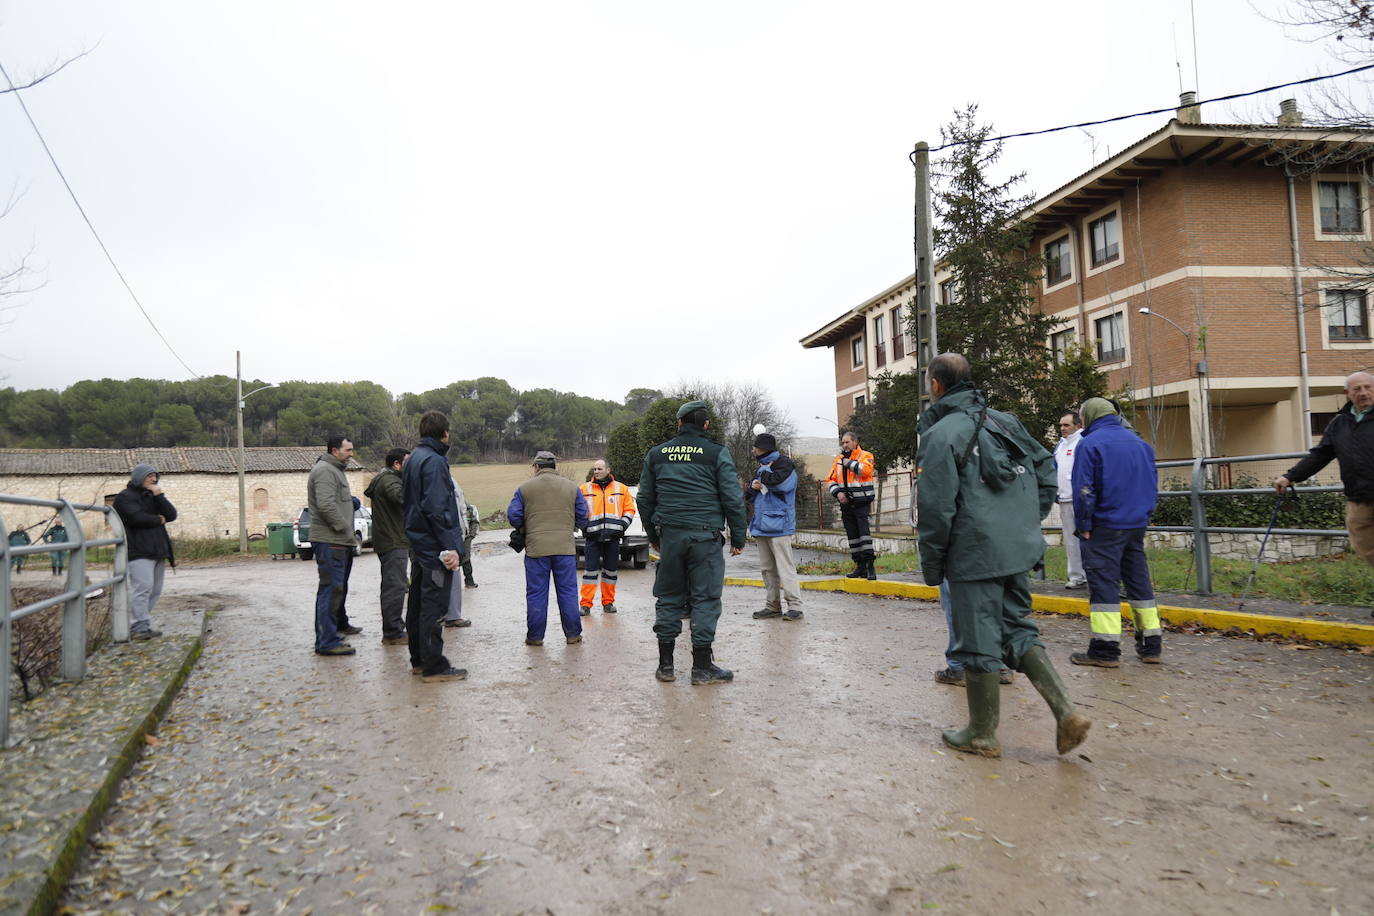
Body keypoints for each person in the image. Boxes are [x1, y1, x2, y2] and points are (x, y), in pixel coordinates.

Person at [916, 353, 1090, 758]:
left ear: (936, 386)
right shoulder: (1004, 421)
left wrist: (932, 564)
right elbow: (1045, 465)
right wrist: (1025, 518)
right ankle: (1066, 712)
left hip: (973, 553)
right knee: (1015, 627)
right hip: (1015, 549)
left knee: (978, 639)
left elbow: (937, 509)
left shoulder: (942, 435)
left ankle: (981, 733)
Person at [638, 400, 749, 685]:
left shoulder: (657, 454)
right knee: (705, 599)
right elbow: (732, 498)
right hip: (705, 538)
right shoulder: (716, 453)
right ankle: (701, 668)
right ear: (706, 425)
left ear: (679, 423)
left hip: (671, 536)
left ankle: (666, 666)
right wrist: (738, 537)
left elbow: (645, 499)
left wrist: (654, 537)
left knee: (669, 597)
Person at [1070, 397, 1162, 668]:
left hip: (1104, 526)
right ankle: (1151, 646)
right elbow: (1152, 483)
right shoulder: (1140, 443)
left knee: (1104, 587)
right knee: (1139, 584)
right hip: (1135, 524)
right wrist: (1144, 515)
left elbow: (1084, 490)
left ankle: (1105, 650)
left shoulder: (1089, 444)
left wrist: (1084, 525)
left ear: (1090, 416)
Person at [1275, 370, 1374, 576]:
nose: (1363, 393)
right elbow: (1320, 455)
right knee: (1366, 549)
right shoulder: (1339, 424)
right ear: (1348, 393)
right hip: (1359, 498)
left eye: (1368, 387)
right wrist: (1290, 476)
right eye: (1357, 389)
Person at [401, 411, 468, 682]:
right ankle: (434, 666)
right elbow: (439, 509)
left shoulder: (413, 459)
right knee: (433, 606)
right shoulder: (435, 461)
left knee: (417, 603)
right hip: (433, 548)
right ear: (445, 433)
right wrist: (451, 548)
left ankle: (418, 659)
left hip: (418, 543)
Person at [507, 451, 588, 646]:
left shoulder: (524, 488)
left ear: (536, 467)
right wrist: (571, 525)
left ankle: (535, 637)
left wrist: (526, 526)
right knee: (568, 592)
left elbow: (513, 516)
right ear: (554, 467)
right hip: (565, 549)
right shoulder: (571, 487)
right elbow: (584, 515)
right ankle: (573, 635)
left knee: (536, 594)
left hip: (536, 550)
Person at [113, 463, 178, 641]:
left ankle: (141, 624)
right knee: (142, 588)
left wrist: (160, 497)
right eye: (149, 476)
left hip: (158, 550)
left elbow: (171, 515)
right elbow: (136, 518)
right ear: (139, 477)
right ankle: (138, 627)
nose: (154, 479)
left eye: (155, 476)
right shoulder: (124, 497)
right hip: (139, 550)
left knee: (154, 591)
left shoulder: (153, 496)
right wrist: (158, 519)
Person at [308, 437, 359, 657]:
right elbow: (326, 505)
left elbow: (336, 501)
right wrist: (345, 529)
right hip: (331, 541)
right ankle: (326, 642)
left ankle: (329, 635)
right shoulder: (325, 471)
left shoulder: (334, 470)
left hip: (337, 540)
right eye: (348, 450)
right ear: (335, 450)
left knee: (334, 590)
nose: (351, 454)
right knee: (330, 590)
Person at [746, 432, 803, 622]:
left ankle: (795, 606)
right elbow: (751, 492)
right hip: (762, 524)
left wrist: (762, 476)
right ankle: (772, 605)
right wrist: (752, 486)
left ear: (763, 449)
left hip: (780, 525)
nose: (753, 450)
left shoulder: (784, 465)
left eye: (755, 447)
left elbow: (782, 485)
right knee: (767, 568)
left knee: (785, 567)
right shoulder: (762, 467)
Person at [363, 448, 410, 645]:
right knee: (395, 586)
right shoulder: (389, 480)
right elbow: (402, 498)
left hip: (392, 539)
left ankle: (395, 627)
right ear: (396, 464)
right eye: (408, 463)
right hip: (393, 541)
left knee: (395, 584)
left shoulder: (387, 478)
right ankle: (392, 632)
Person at [578, 458, 636, 615]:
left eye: (599, 469)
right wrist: (584, 527)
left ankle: (608, 603)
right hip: (592, 538)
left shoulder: (621, 488)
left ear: (608, 470)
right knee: (590, 572)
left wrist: (622, 526)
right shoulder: (584, 489)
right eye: (594, 469)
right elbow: (577, 510)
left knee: (610, 572)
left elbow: (629, 510)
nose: (596, 471)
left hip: (613, 537)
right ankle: (585, 605)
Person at [825, 431, 877, 579]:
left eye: (847, 442)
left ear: (855, 442)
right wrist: (838, 493)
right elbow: (830, 479)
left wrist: (850, 464)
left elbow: (866, 470)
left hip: (861, 502)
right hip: (846, 503)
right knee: (852, 536)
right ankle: (859, 567)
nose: (844, 445)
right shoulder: (839, 460)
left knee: (864, 534)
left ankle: (870, 566)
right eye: (843, 443)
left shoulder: (866, 455)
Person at [1054, 411, 1087, 589]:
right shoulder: (1060, 445)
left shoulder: (1083, 441)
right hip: (1065, 499)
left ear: (1077, 425)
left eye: (1066, 425)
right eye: (1061, 425)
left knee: (1087, 537)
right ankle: (1076, 576)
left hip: (1082, 499)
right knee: (1071, 541)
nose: (1062, 428)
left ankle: (1091, 574)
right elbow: (1055, 468)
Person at [443, 479, 474, 628]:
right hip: (447, 536)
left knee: (453, 574)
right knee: (446, 574)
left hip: (455, 534)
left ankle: (452, 614)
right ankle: (450, 615)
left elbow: (461, 508)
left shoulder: (452, 481)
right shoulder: (442, 480)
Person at [462, 502, 480, 588]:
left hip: (466, 537)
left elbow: (474, 522)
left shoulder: (468, 509)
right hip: (451, 537)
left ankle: (469, 581)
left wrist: (471, 535)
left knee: (466, 558)